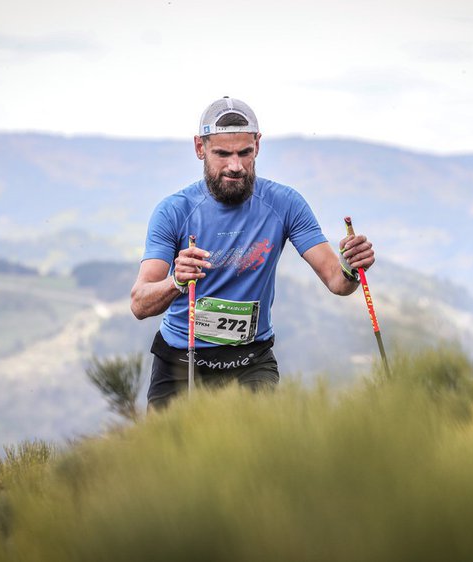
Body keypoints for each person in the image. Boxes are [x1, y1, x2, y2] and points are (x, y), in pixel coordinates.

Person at [130, 96, 376, 410]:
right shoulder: (174, 211)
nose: (235, 166)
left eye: (244, 153)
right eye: (222, 153)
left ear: (257, 146)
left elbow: (338, 282)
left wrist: (351, 266)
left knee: (260, 457)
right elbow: (139, 303)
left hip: (250, 363)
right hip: (181, 363)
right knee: (166, 459)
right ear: (199, 148)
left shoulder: (286, 204)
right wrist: (176, 281)